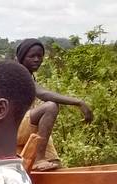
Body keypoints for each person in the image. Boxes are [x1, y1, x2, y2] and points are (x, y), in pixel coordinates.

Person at [15, 38, 93, 172]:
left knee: (54, 164)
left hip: (23, 128)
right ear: (22, 58)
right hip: (12, 127)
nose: (36, 60)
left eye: (39, 56)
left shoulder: (29, 75)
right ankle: (38, 159)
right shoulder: (18, 73)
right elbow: (43, 93)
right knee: (51, 106)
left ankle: (43, 161)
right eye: (32, 56)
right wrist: (79, 102)